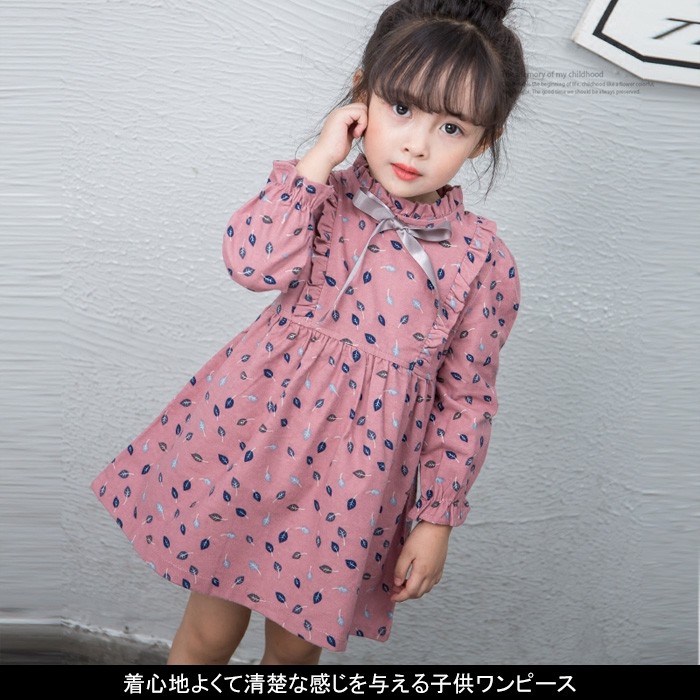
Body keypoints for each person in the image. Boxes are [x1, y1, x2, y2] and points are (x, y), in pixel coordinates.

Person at [91, 0, 527, 666]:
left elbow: (466, 400)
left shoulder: (483, 261)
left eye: (451, 127)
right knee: (207, 636)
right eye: (401, 109)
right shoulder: (320, 197)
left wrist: (437, 517)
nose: (417, 144)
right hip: (255, 444)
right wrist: (320, 158)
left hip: (352, 489)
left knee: (294, 656)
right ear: (361, 97)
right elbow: (251, 264)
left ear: (484, 140)